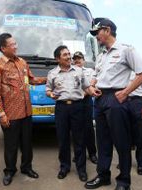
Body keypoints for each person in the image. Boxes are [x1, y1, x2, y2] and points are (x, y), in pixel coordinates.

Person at [84, 18, 142, 190]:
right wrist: (91, 87)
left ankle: (124, 181)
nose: (96, 36)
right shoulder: (101, 55)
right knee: (103, 141)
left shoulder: (126, 50)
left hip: (116, 99)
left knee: (122, 142)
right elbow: (96, 76)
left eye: (97, 32)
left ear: (107, 30)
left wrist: (126, 92)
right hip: (99, 99)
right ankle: (104, 175)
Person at [0, 33, 46, 186]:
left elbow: (32, 79)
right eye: (12, 44)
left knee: (27, 143)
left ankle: (26, 167)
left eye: (15, 43)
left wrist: (49, 78)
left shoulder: (22, 62)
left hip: (27, 112)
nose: (16, 46)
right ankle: (9, 171)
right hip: (10, 113)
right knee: (11, 144)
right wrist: (1, 113)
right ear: (3, 48)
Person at [46, 46, 99, 182]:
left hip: (77, 107)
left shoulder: (79, 71)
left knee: (79, 139)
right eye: (65, 55)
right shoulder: (52, 73)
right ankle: (64, 167)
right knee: (63, 139)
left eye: (69, 54)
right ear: (58, 58)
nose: (69, 57)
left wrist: (93, 92)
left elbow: (86, 87)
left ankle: (81, 169)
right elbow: (48, 89)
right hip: (61, 108)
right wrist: (51, 94)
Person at [72, 51, 98, 164]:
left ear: (84, 60)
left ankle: (92, 153)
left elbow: (92, 85)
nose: (77, 60)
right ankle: (78, 154)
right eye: (75, 59)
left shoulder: (90, 71)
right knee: (76, 129)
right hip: (74, 102)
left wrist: (84, 94)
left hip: (86, 101)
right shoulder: (70, 72)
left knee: (88, 129)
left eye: (80, 58)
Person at [125, 72, 142, 175]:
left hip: (137, 102)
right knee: (124, 135)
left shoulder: (140, 72)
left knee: (140, 135)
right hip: (122, 102)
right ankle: (125, 162)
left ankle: (141, 164)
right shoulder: (119, 70)